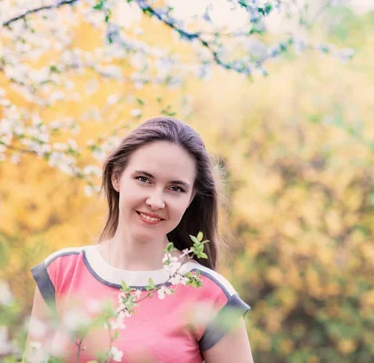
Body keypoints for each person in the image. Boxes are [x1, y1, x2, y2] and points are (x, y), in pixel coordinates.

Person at [25, 117, 253, 363]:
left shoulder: (212, 296)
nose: (156, 201)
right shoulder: (61, 273)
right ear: (117, 177)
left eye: (175, 188)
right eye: (144, 179)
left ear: (191, 197)